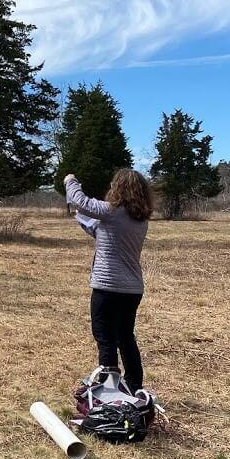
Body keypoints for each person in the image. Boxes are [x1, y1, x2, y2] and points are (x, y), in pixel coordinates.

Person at [64, 169, 155, 395]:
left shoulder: (112, 211)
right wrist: (85, 222)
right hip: (132, 289)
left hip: (107, 286)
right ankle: (134, 384)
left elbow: (80, 200)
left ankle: (109, 386)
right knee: (125, 336)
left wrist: (71, 180)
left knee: (105, 337)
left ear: (119, 188)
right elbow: (108, 236)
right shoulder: (140, 219)